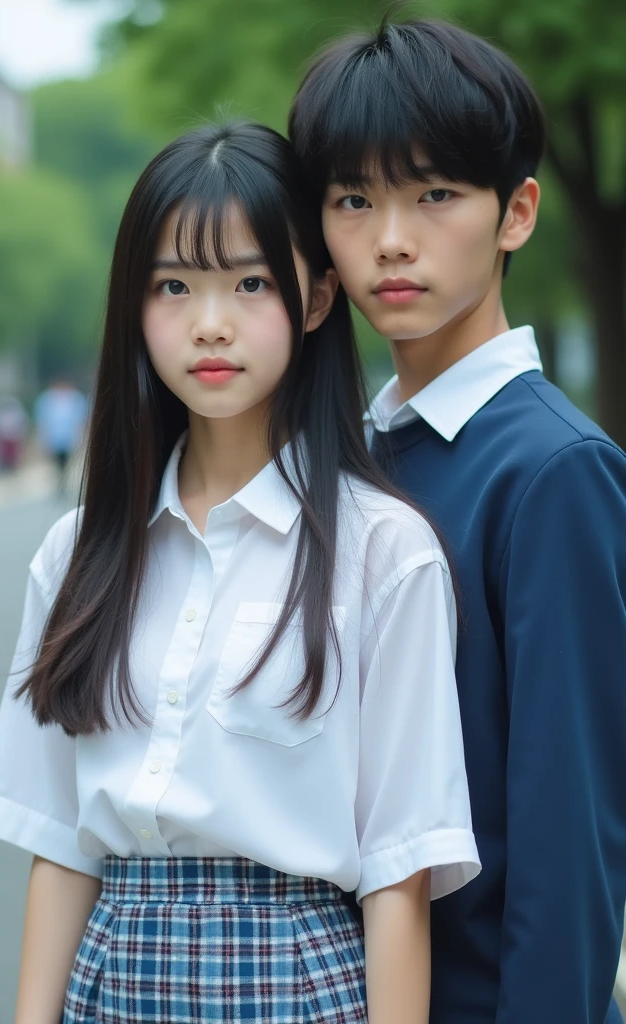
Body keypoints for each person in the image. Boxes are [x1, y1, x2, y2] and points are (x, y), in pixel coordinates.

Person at [0, 122, 480, 1024]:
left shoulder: (385, 554)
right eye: (174, 286)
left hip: (300, 979)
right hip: (112, 976)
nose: (211, 324)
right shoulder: (77, 553)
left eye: (250, 283)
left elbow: (402, 871)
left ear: (317, 299)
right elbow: (59, 846)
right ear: (135, 304)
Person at [289, 17, 626, 1024]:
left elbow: (571, 836)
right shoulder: (348, 455)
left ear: (514, 212)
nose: (391, 238)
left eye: (434, 194)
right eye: (354, 199)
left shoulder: (553, 470)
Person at [33, 377, 88, 493]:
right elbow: (43, 421)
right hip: (55, 439)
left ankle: (63, 481)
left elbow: (81, 421)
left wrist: (81, 437)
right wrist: (44, 439)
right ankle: (60, 481)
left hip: (69, 438)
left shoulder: (75, 398)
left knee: (66, 461)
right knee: (57, 462)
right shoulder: (47, 399)